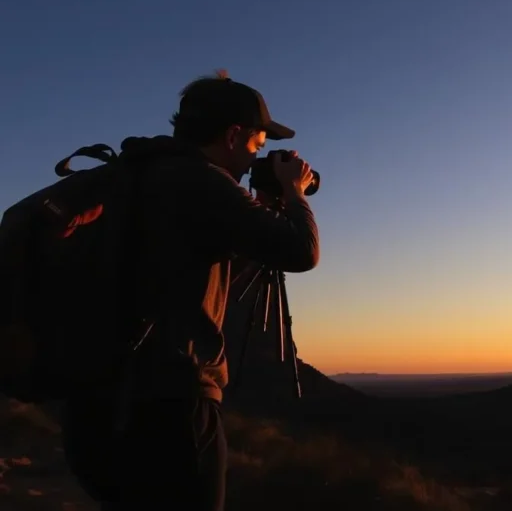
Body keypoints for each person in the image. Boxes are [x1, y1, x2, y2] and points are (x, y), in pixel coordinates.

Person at [59, 72, 320, 511]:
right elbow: (301, 251)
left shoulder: (142, 174)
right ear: (234, 135)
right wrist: (295, 192)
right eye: (257, 145)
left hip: (97, 401)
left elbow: (201, 268)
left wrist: (263, 207)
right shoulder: (203, 183)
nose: (256, 157)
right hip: (169, 407)